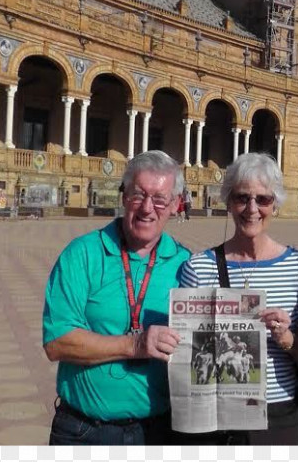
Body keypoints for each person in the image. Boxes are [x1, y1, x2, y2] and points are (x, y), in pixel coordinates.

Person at [42, 150, 191, 445]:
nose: (147, 208)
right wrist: (135, 344)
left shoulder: (187, 265)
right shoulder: (83, 254)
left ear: (175, 205)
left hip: (159, 431)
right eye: (138, 194)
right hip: (85, 431)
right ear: (123, 196)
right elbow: (57, 342)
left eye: (160, 199)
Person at [178, 152, 298, 445]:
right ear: (228, 202)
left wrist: (286, 337)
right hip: (219, 413)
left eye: (262, 199)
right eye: (242, 198)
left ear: (275, 204)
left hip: (281, 411)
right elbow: (183, 354)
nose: (252, 208)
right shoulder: (199, 267)